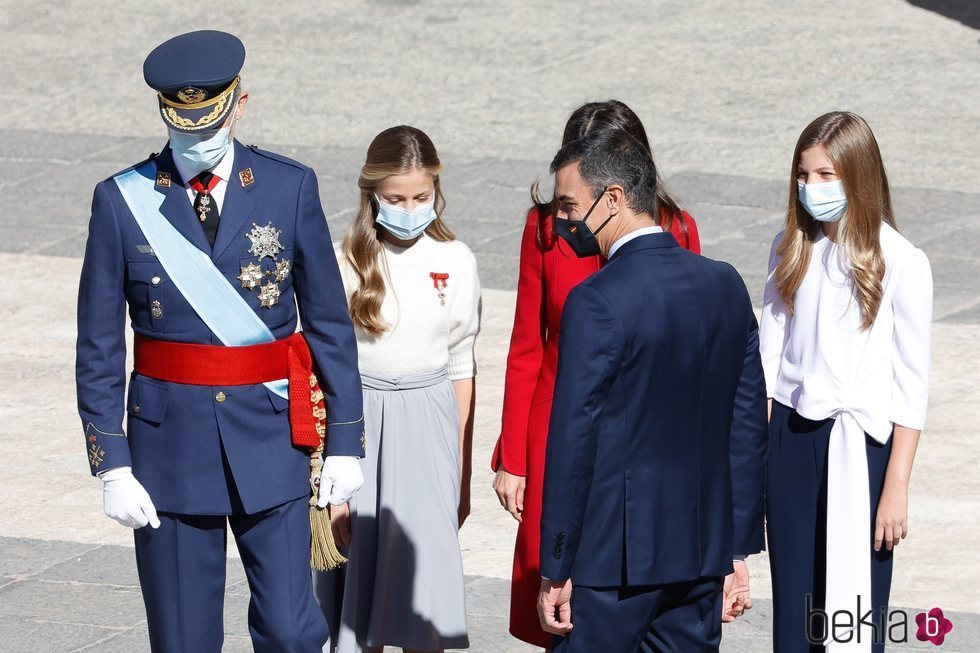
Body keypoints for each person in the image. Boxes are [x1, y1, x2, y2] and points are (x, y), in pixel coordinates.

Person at [75, 30, 366, 652]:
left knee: (293, 633)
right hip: (169, 448)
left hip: (272, 435)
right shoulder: (121, 201)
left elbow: (328, 323)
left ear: (240, 103)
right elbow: (99, 346)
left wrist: (345, 440)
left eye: (209, 117)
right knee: (183, 638)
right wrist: (112, 464)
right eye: (183, 120)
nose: (198, 135)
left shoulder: (289, 187)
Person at [535, 127, 767, 652]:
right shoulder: (725, 284)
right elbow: (747, 423)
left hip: (609, 564)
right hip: (700, 553)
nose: (563, 220)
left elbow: (574, 439)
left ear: (613, 199)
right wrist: (736, 547)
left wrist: (555, 564)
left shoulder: (595, 301)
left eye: (570, 204)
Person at [490, 100, 701, 649]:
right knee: (558, 597)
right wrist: (514, 456)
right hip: (559, 430)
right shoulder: (545, 228)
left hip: (643, 438)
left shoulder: (676, 229)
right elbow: (526, 345)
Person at [760, 111, 932, 653]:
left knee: (854, 615)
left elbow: (911, 381)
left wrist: (896, 486)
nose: (812, 187)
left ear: (858, 176)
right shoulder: (790, 248)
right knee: (796, 608)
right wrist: (759, 457)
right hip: (793, 438)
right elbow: (769, 361)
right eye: (804, 175)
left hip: (864, 447)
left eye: (827, 175)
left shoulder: (902, 262)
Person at [320, 125, 480, 653]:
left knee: (425, 600)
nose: (410, 209)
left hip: (429, 424)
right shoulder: (342, 261)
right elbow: (323, 371)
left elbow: (461, 367)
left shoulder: (456, 261)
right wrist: (326, 483)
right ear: (371, 195)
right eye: (395, 199)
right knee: (354, 597)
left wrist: (460, 471)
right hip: (360, 426)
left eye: (420, 196)